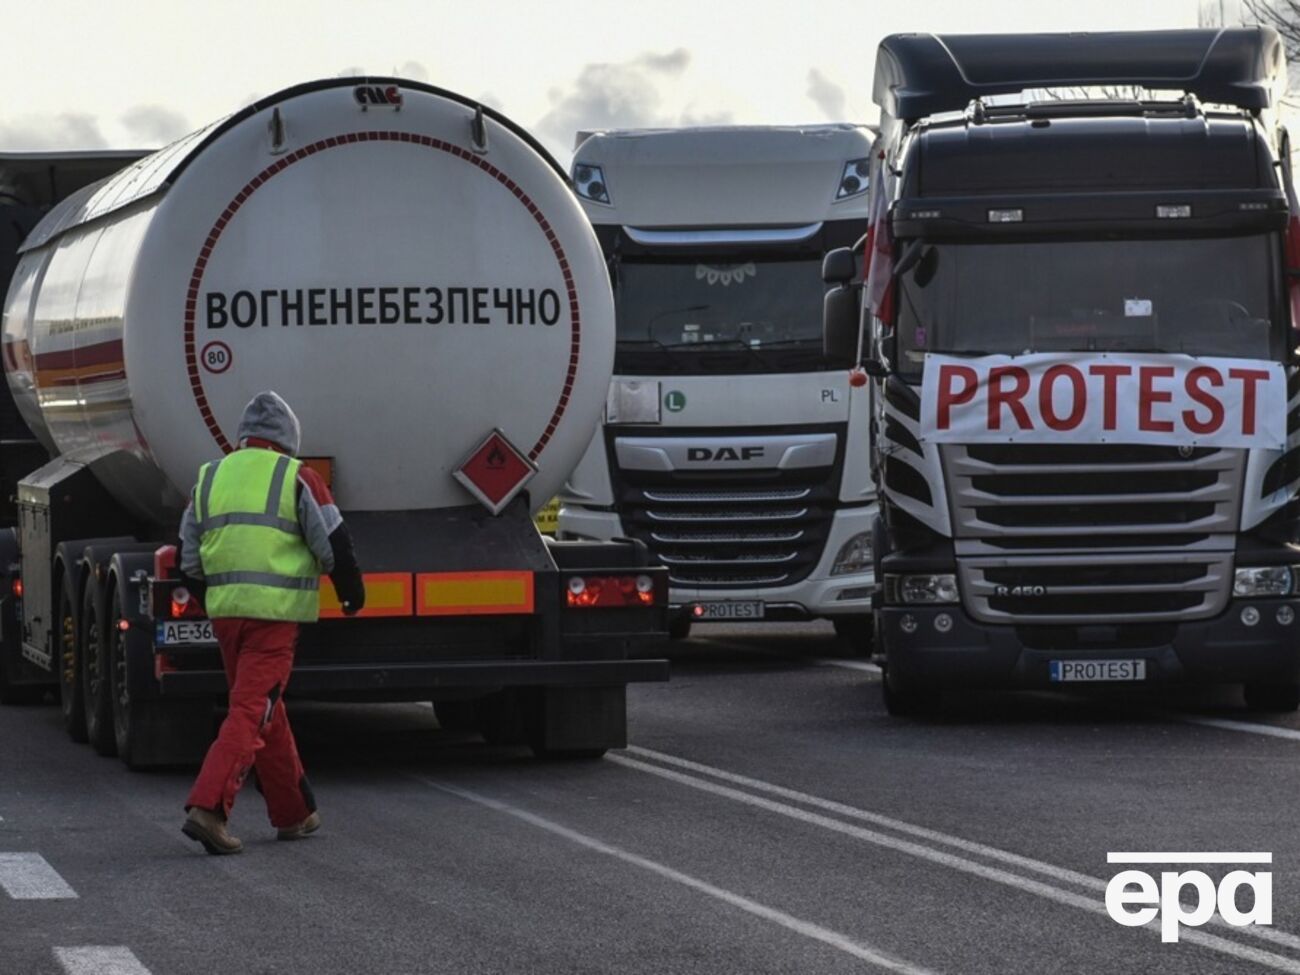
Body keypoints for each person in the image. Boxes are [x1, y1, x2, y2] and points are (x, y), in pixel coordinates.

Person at [177, 391, 364, 855]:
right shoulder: (296, 476)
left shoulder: (209, 477)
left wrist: (217, 599)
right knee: (250, 712)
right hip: (273, 620)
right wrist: (350, 594)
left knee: (263, 707)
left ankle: (294, 812)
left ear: (244, 439)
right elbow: (334, 544)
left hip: (227, 617)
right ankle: (209, 810)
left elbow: (188, 561)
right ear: (288, 441)